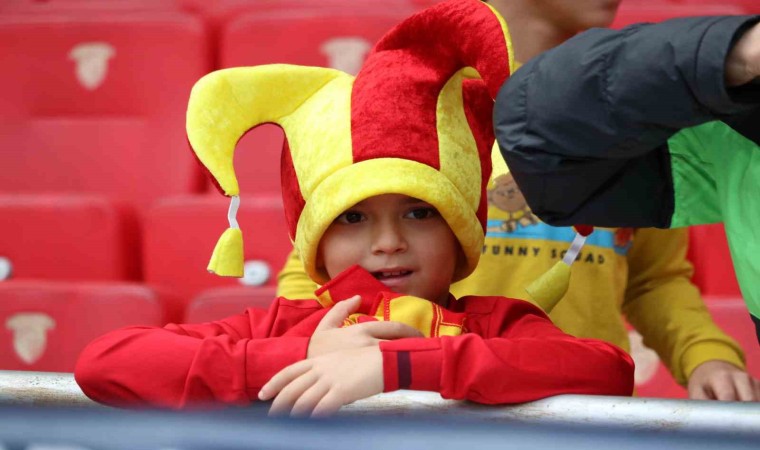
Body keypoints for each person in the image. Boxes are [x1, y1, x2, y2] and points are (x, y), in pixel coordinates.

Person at [74, 0, 634, 415]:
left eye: (419, 212)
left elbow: (607, 371)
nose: (388, 242)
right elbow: (105, 363)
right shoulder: (281, 328)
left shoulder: (494, 325)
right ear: (315, 240)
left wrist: (398, 367)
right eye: (352, 217)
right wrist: (299, 358)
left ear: (463, 230)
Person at [277, 0, 756, 401]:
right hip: (425, 407)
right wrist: (310, 351)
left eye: (420, 213)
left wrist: (706, 357)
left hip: (581, 405)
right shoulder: (411, 106)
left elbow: (654, 279)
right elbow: (317, 266)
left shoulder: (632, 114)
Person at [494, 12, 760, 353]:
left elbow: (654, 278)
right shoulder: (436, 97)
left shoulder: (656, 109)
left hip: (592, 378)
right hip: (451, 379)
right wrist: (725, 51)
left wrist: (705, 353)